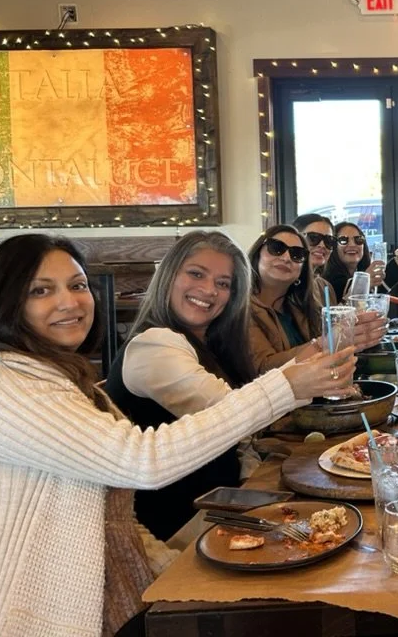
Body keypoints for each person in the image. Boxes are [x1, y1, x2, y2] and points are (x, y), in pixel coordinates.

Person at [0, 234, 356, 637]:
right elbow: (141, 462)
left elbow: (112, 514)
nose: (70, 302)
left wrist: (168, 569)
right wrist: (285, 386)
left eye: (78, 285)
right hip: (30, 616)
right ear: (2, 299)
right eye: (41, 290)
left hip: (104, 596)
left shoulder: (53, 379)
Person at [104, 230, 356, 540]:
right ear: (168, 275)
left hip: (228, 500)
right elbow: (227, 410)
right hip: (185, 527)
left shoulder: (208, 341)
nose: (208, 290)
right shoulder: (154, 345)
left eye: (223, 284)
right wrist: (298, 379)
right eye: (196, 274)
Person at [247, 224, 387, 373]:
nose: (286, 258)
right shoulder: (242, 309)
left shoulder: (300, 304)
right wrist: (324, 344)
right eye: (276, 248)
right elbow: (263, 370)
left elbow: (334, 351)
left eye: (297, 254)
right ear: (257, 254)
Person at [323, 222, 398, 301]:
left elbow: (378, 288)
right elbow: (351, 304)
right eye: (343, 240)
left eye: (358, 240)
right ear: (332, 245)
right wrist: (365, 281)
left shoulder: (359, 274)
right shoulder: (328, 283)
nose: (352, 245)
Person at [292, 212, 338, 301]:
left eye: (329, 240)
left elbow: (332, 315)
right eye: (313, 238)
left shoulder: (325, 287)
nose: (322, 245)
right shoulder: (285, 284)